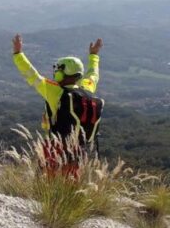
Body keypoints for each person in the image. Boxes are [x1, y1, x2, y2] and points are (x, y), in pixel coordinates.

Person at [12, 34, 104, 177]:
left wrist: (18, 54)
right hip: (80, 151)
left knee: (46, 183)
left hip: (56, 148)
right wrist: (94, 56)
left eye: (58, 70)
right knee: (71, 184)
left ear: (64, 73)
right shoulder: (87, 88)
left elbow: (32, 75)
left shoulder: (55, 91)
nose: (56, 73)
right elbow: (93, 75)